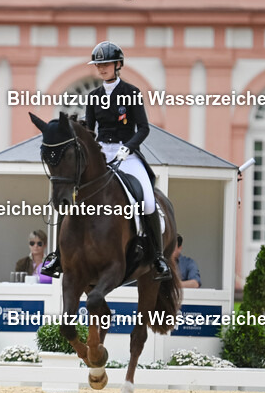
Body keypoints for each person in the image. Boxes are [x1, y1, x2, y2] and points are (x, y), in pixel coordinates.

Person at [40, 41, 171, 280]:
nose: (101, 69)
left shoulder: (131, 93)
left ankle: (158, 257)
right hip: (100, 153)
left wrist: (128, 148)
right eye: (98, 65)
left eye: (106, 64)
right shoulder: (93, 97)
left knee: (148, 200)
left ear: (117, 65)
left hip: (127, 154)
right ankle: (58, 254)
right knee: (70, 195)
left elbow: (143, 129)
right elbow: (90, 129)